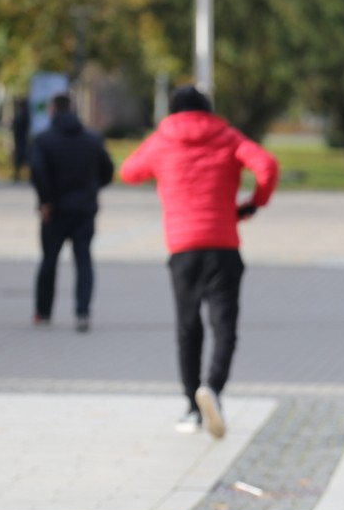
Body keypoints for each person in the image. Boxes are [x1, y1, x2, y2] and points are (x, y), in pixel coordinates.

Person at [120, 85, 279, 438]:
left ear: (173, 112)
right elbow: (266, 165)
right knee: (225, 327)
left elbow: (129, 172)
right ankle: (213, 389)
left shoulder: (163, 140)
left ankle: (192, 407)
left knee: (187, 329)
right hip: (224, 245)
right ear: (207, 110)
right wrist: (254, 203)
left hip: (183, 249)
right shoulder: (227, 136)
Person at [30, 93, 115, 332]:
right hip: (84, 210)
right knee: (84, 262)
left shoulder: (44, 140)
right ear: (73, 109)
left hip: (54, 211)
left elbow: (37, 171)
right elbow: (108, 170)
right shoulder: (91, 139)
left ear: (53, 110)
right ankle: (82, 311)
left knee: (49, 261)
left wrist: (46, 200)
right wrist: (92, 189)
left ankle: (43, 312)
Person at [12, 96, 31, 183]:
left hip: (22, 139)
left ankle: (19, 174)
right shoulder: (23, 113)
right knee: (20, 157)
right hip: (20, 139)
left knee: (22, 156)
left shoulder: (24, 113)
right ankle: (18, 174)